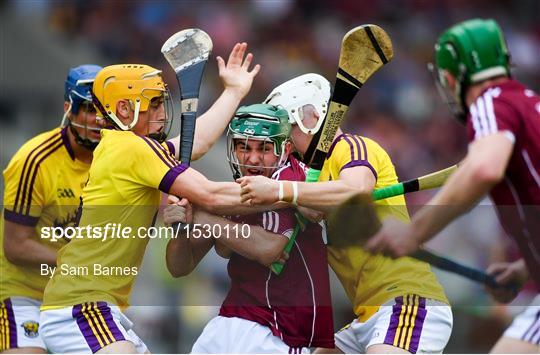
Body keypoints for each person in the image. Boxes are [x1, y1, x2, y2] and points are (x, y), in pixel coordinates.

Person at [39, 43, 263, 354]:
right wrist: (287, 193)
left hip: (94, 305)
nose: (162, 112)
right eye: (153, 104)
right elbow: (211, 195)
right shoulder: (132, 147)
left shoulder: (124, 146)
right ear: (123, 111)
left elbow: (196, 142)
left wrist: (234, 92)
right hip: (81, 305)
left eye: (161, 102)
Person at [238, 74, 453, 354]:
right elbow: (309, 208)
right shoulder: (310, 181)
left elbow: (356, 189)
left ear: (310, 118)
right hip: (367, 315)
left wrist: (281, 191)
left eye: (287, 129)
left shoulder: (351, 147)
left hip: (407, 302)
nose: (285, 143)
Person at [365, 18, 540, 353]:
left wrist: (414, 232)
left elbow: (484, 168)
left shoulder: (493, 102)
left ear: (450, 77)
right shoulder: (528, 104)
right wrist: (525, 267)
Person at [165, 104, 334, 353]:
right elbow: (180, 267)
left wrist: (204, 216)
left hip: (279, 330)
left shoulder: (291, 177)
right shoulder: (227, 194)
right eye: (244, 146)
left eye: (264, 148)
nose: (252, 158)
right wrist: (181, 229)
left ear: (284, 150)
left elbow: (270, 249)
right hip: (231, 320)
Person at [1, 64, 102, 353]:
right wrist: (77, 263)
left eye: (104, 111)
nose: (98, 120)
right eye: (88, 109)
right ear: (69, 108)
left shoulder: (115, 158)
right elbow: (15, 247)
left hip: (80, 299)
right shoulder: (34, 160)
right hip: (25, 294)